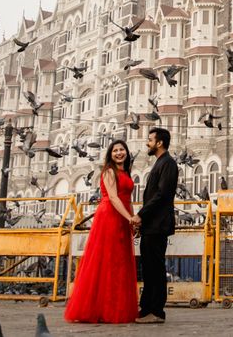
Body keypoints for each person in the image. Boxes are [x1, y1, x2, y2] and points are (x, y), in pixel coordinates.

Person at [64, 140, 139, 324]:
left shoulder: (126, 172)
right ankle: (97, 308)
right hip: (109, 216)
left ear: (127, 153)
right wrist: (129, 218)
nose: (119, 153)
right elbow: (113, 197)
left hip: (122, 216)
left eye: (122, 150)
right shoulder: (109, 172)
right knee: (105, 260)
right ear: (110, 154)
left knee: (119, 262)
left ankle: (115, 306)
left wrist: (133, 218)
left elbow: (127, 199)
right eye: (115, 150)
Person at [134, 127, 178, 324]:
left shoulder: (168, 163)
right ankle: (146, 309)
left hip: (157, 225)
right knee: (149, 268)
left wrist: (140, 214)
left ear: (159, 143)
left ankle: (156, 311)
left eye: (150, 140)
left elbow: (161, 195)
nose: (147, 143)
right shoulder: (161, 163)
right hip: (151, 225)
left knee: (155, 268)